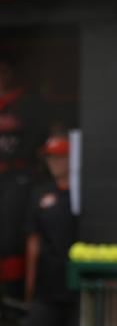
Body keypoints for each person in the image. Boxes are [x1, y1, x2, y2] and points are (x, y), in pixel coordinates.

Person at [14, 135, 79, 326]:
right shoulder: (41, 195)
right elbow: (33, 243)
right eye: (51, 157)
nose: (55, 163)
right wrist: (29, 290)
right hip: (45, 288)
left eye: (60, 156)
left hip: (77, 289)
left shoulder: (82, 195)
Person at [0, 52, 47, 301]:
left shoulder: (27, 103)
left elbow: (38, 139)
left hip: (17, 175)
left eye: (4, 70)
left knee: (10, 238)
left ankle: (13, 295)